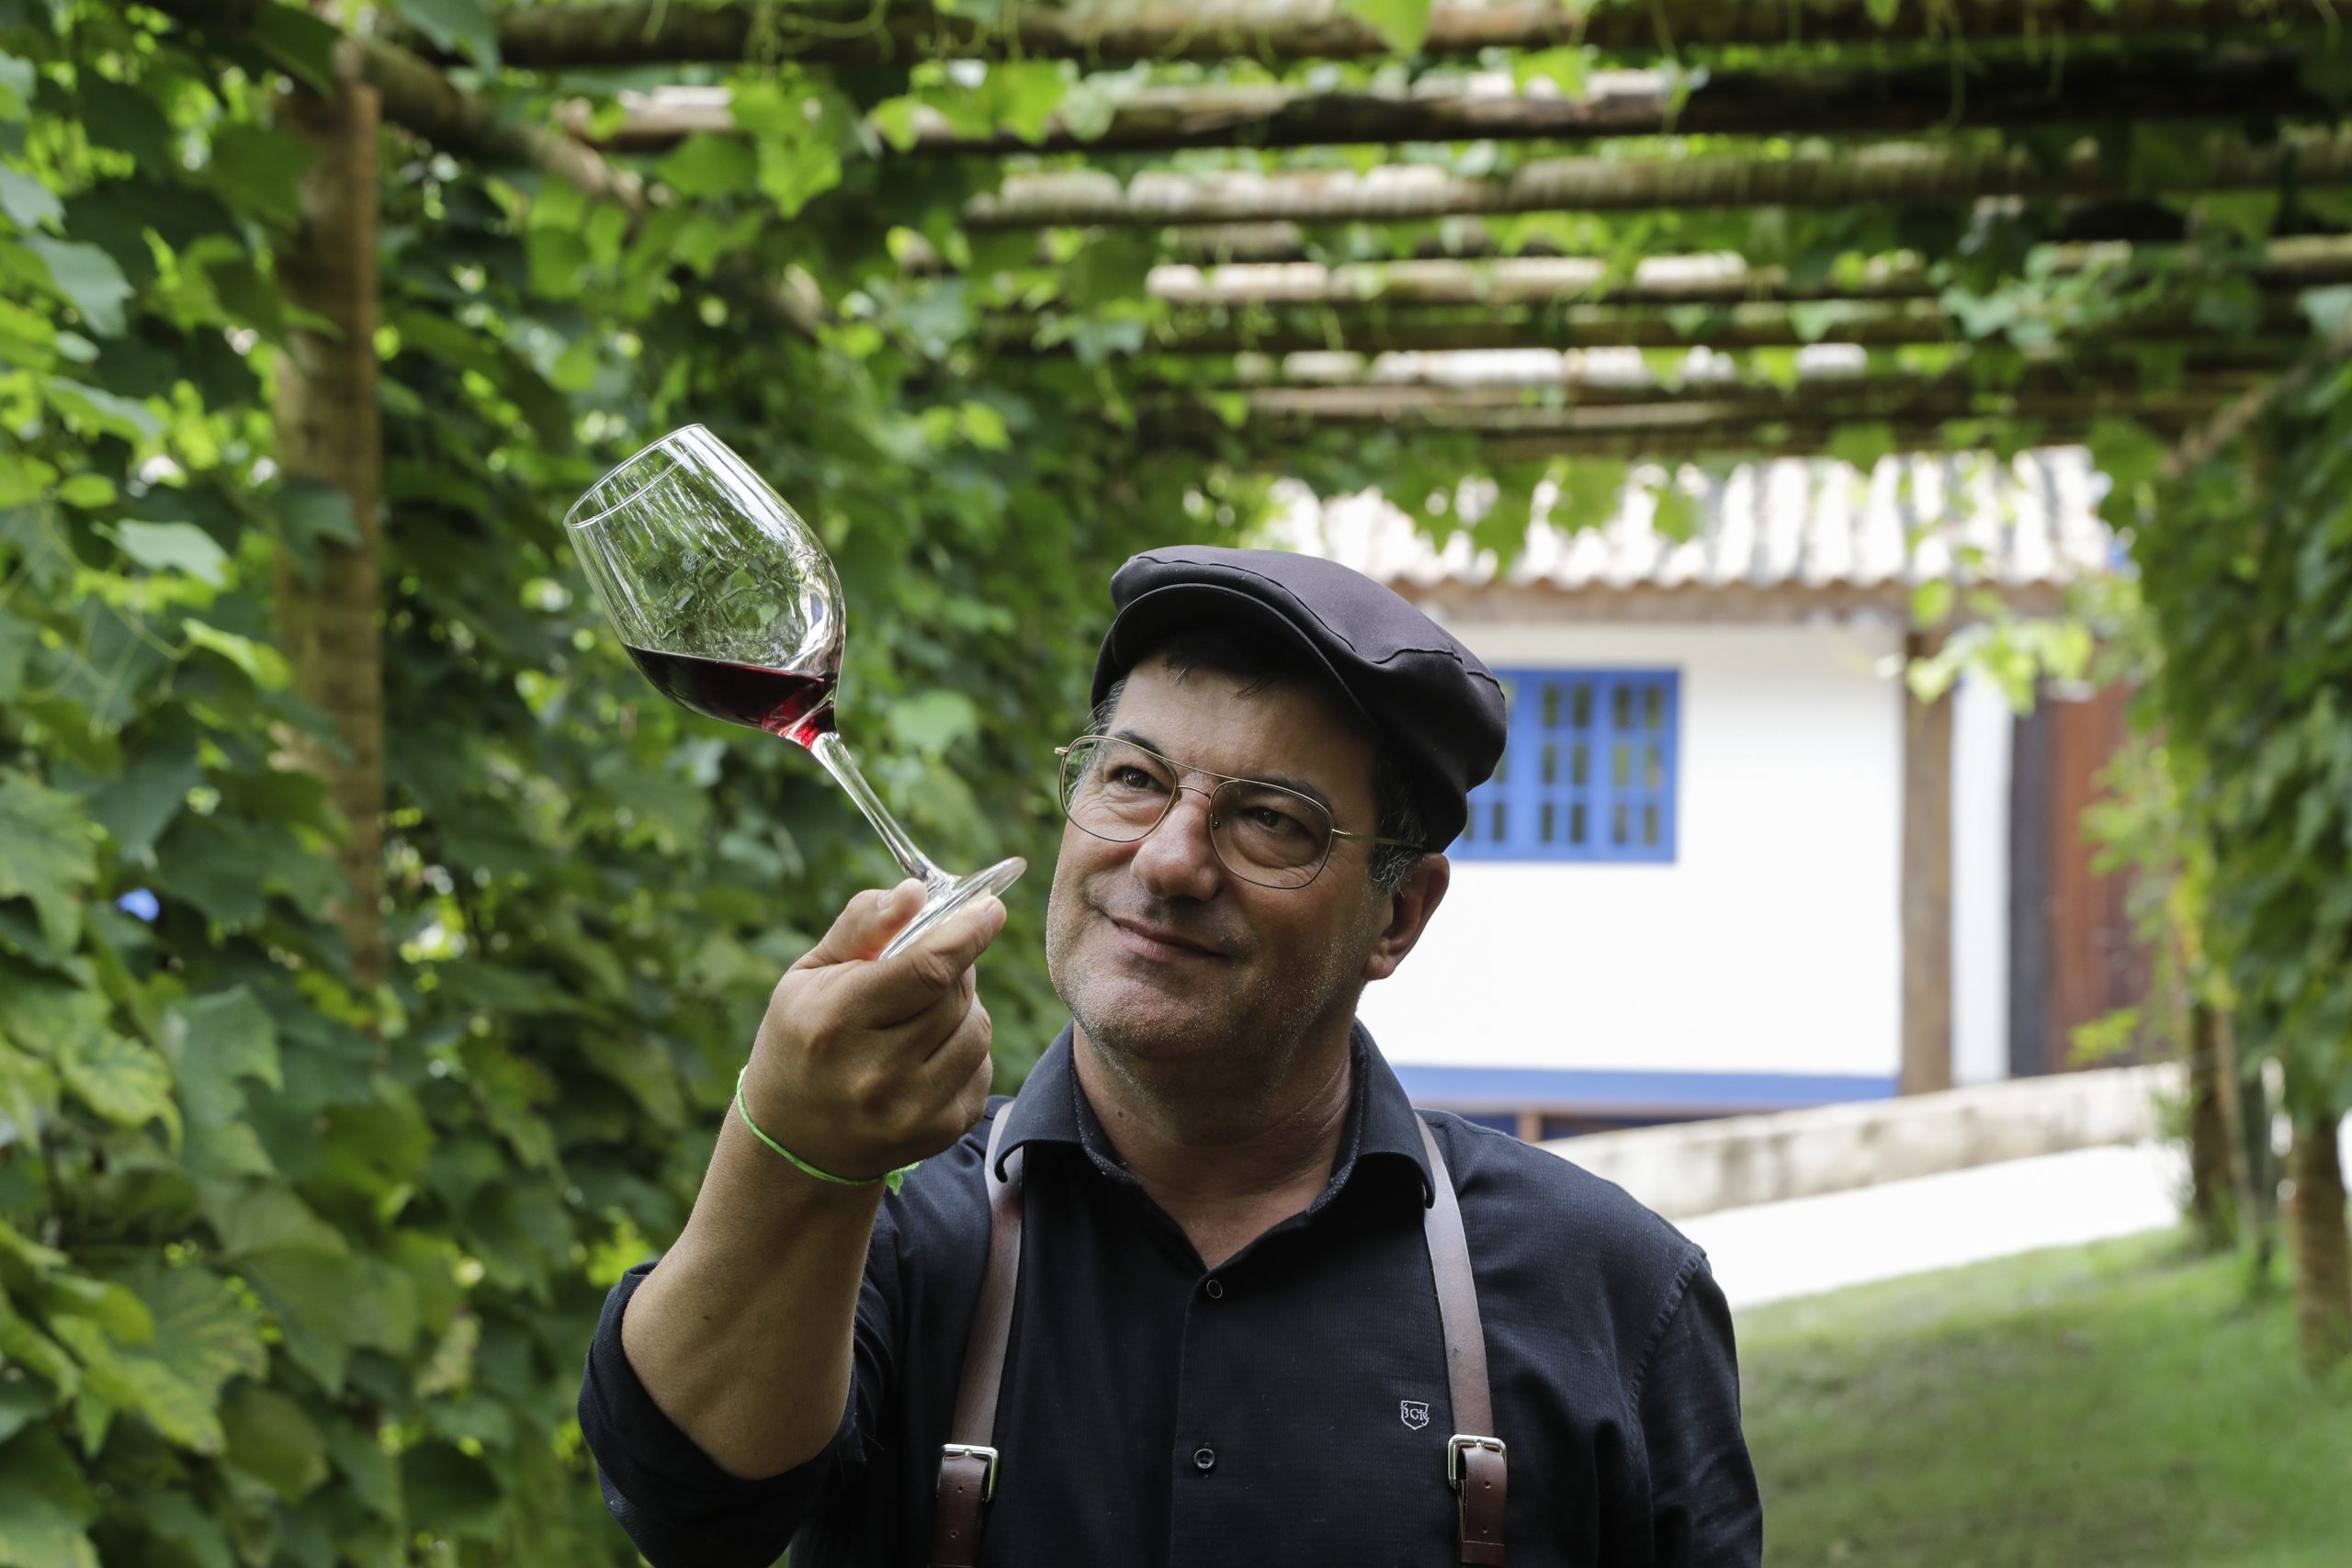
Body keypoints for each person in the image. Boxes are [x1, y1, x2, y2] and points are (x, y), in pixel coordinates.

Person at [578, 547, 1764, 1567]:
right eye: (1135, 780)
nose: (1168, 860)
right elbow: (693, 1511)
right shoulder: (892, 1248)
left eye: (1269, 821)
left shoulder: (1614, 1293)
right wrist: (795, 1153)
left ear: (1396, 917)